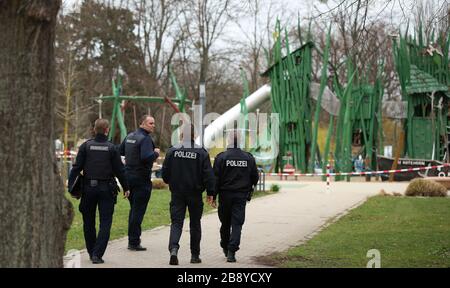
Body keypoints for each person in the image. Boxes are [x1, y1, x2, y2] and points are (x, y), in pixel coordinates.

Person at [68, 118, 129, 264]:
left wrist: (70, 186)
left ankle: (91, 251)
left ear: (94, 130)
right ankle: (97, 254)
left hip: (88, 189)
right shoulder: (112, 148)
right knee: (105, 222)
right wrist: (126, 187)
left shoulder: (85, 146)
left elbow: (76, 168)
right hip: (106, 190)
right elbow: (120, 171)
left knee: (88, 222)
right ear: (107, 130)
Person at [161, 124, 215, 265]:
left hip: (177, 193)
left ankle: (173, 248)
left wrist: (170, 181)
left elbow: (165, 174)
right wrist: (211, 193)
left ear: (180, 134)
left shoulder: (172, 151)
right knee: (195, 224)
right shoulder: (201, 152)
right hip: (195, 194)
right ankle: (194, 255)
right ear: (194, 134)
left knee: (176, 223)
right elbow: (208, 175)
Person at [211, 130, 259, 263]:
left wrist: (213, 196)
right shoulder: (248, 157)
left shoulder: (221, 157)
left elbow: (215, 179)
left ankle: (225, 246)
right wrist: (249, 188)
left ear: (229, 141)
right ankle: (232, 251)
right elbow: (255, 177)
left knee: (225, 223)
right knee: (237, 223)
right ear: (241, 141)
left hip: (225, 195)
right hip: (240, 196)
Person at [119, 115, 160, 251]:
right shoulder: (146, 139)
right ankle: (134, 242)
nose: (153, 125)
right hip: (141, 179)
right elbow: (145, 157)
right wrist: (155, 153)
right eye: (150, 123)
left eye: (153, 123)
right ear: (142, 124)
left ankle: (132, 239)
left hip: (128, 178)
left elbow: (121, 151)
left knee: (134, 209)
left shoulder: (130, 136)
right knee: (138, 211)